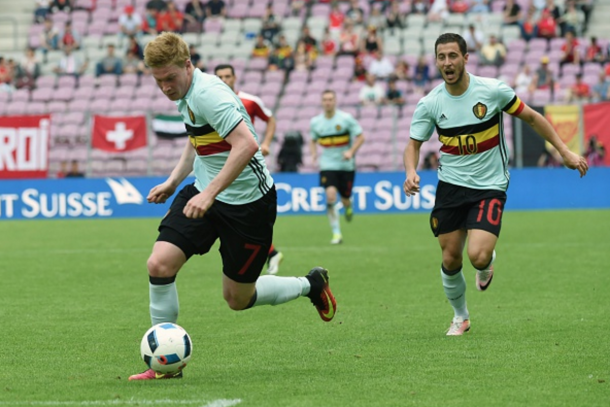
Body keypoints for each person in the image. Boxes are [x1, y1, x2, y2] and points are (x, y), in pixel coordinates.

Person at [128, 32, 336, 381]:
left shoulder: (209, 94)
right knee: (159, 264)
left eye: (169, 79)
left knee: (237, 298)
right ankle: (165, 364)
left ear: (188, 65)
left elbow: (247, 144)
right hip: (204, 188)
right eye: (157, 80)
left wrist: (208, 194)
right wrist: (173, 181)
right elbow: (198, 141)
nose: (164, 87)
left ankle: (310, 284)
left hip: (248, 204)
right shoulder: (184, 91)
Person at [403, 33, 588, 336]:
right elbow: (413, 145)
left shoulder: (492, 91)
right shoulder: (430, 103)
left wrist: (564, 151)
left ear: (465, 58)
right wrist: (410, 171)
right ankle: (461, 317)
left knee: (477, 256)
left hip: (490, 185)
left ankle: (486, 261)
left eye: (452, 56)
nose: (447, 63)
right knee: (450, 257)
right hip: (450, 186)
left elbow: (531, 117)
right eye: (441, 57)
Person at [214, 63, 284, 275]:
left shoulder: (250, 101)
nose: (225, 80)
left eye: (228, 76)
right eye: (220, 77)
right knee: (227, 213)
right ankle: (270, 253)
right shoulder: (210, 102)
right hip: (220, 163)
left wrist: (266, 143)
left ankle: (267, 252)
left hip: (246, 163)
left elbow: (270, 120)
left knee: (230, 212)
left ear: (235, 78)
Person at [310, 90, 365, 244]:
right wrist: (314, 154)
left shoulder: (345, 119)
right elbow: (312, 140)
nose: (328, 102)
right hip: (327, 164)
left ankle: (348, 205)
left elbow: (361, 137)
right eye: (325, 99)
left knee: (345, 198)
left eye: (330, 99)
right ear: (322, 102)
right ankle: (336, 233)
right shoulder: (316, 122)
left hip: (346, 165)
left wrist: (351, 151)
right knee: (330, 196)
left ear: (335, 101)